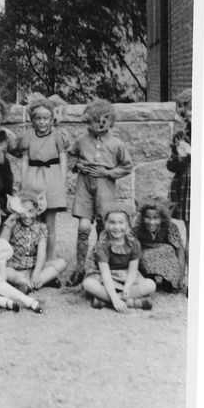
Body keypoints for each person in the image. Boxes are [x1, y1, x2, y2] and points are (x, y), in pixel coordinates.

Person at [67, 99, 133, 286]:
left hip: (105, 187)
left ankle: (102, 266)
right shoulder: (81, 141)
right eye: (96, 119)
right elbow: (71, 156)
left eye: (105, 119)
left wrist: (108, 172)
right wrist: (78, 165)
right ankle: (80, 268)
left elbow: (127, 166)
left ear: (111, 121)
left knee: (104, 227)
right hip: (84, 186)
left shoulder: (116, 143)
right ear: (88, 121)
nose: (101, 123)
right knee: (83, 227)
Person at [18, 96, 68, 261]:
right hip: (33, 177)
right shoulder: (28, 136)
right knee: (33, 219)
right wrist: (23, 181)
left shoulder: (57, 136)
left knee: (50, 223)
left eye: (46, 118)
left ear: (52, 119)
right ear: (32, 120)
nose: (42, 122)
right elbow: (25, 159)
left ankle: (50, 258)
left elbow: (63, 157)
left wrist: (62, 180)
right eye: (38, 118)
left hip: (52, 178)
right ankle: (32, 257)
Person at [83, 204, 156, 311]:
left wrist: (127, 286)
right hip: (106, 277)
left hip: (126, 276)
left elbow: (133, 270)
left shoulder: (133, 243)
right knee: (88, 284)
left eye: (121, 223)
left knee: (150, 285)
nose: (117, 227)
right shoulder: (102, 245)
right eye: (112, 223)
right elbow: (105, 274)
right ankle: (130, 302)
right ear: (106, 224)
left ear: (128, 225)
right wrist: (115, 299)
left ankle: (104, 301)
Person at [0, 191, 67, 293]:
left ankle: (29, 283)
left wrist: (36, 272)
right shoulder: (14, 224)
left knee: (61, 263)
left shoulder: (41, 227)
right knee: (5, 271)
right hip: (15, 268)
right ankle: (30, 283)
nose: (27, 216)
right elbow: (1, 245)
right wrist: (7, 226)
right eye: (23, 212)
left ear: (37, 210)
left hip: (33, 268)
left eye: (31, 211)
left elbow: (41, 253)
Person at [134, 198, 186, 292]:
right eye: (147, 217)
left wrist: (181, 275)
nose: (151, 222)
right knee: (144, 255)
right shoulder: (137, 229)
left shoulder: (170, 227)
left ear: (162, 218)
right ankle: (150, 278)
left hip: (166, 256)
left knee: (168, 249)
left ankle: (169, 280)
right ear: (142, 217)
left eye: (155, 218)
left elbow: (179, 250)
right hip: (145, 257)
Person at [167, 89, 192, 233]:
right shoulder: (180, 136)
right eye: (182, 109)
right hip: (186, 182)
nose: (187, 114)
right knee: (190, 226)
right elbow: (171, 166)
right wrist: (179, 156)